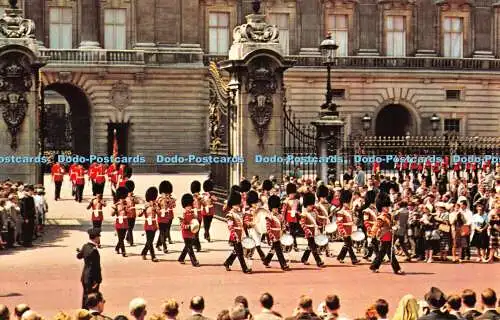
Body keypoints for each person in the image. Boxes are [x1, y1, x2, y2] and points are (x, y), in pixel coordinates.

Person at [223, 191, 252, 273]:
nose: (237, 206)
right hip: (235, 235)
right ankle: (245, 269)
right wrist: (234, 235)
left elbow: (243, 224)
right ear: (232, 205)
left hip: (241, 234)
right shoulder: (230, 214)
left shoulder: (239, 214)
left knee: (236, 251)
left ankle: (227, 263)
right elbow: (230, 226)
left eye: (238, 204)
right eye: (236, 204)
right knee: (240, 253)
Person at [77, 228, 102, 309]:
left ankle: (83, 314)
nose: (99, 239)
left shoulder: (85, 246)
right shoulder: (93, 250)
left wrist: (81, 252)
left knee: (85, 296)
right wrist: (97, 281)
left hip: (85, 277)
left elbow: (79, 256)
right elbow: (96, 267)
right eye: (98, 237)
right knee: (92, 299)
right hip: (92, 278)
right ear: (95, 238)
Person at [263, 195, 290, 271]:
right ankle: (283, 264)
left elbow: (283, 225)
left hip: (279, 234)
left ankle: (266, 260)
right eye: (274, 208)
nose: (276, 210)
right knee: (278, 250)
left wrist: (284, 230)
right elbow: (268, 228)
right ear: (271, 208)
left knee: (274, 248)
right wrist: (271, 236)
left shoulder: (280, 216)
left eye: (277, 208)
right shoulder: (269, 216)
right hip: (273, 235)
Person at [300, 193, 325, 267]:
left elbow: (317, 220)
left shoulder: (314, 212)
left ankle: (304, 258)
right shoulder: (304, 214)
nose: (311, 207)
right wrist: (307, 231)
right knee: (313, 246)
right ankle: (318, 261)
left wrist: (321, 223)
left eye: (311, 205)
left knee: (310, 246)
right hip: (308, 232)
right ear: (306, 205)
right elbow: (303, 224)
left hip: (314, 231)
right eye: (309, 205)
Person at [178, 193, 200, 267]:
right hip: (185, 233)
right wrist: (189, 227)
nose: (189, 207)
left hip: (191, 233)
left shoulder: (193, 213)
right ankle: (194, 262)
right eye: (187, 206)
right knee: (190, 248)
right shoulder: (183, 215)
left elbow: (195, 221)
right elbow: (182, 225)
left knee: (187, 247)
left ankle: (181, 258)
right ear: (185, 207)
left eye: (190, 206)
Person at [139, 187, 158, 262]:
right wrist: (144, 209)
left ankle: (143, 252)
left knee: (150, 241)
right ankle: (153, 256)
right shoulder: (145, 205)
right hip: (148, 224)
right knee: (150, 241)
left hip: (153, 223)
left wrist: (156, 208)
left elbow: (160, 214)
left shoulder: (155, 205)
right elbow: (139, 215)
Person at [157, 181, 175, 252]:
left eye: (167, 193)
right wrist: (160, 211)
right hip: (160, 217)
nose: (166, 194)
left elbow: (173, 206)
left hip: (167, 217)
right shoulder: (159, 199)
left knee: (164, 232)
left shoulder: (169, 199)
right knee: (162, 232)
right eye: (164, 193)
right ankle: (164, 246)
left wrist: (170, 201)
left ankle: (158, 244)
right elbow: (156, 208)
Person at [281, 183, 300, 252]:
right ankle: (293, 245)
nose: (293, 195)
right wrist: (283, 220)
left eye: (293, 193)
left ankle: (292, 246)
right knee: (291, 233)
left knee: (293, 233)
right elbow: (283, 211)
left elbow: (299, 210)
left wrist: (298, 213)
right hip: (288, 218)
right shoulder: (286, 201)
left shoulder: (297, 201)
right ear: (288, 194)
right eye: (291, 194)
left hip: (295, 218)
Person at [111, 187, 129, 257]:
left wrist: (126, 209)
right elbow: (112, 214)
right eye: (122, 198)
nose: (123, 199)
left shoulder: (126, 204)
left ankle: (117, 248)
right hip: (119, 221)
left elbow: (129, 213)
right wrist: (116, 210)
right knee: (120, 238)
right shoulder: (116, 205)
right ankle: (123, 251)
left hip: (125, 221)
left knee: (122, 237)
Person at [125, 180, 141, 247]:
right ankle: (131, 241)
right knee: (129, 228)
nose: (131, 193)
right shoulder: (125, 198)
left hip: (133, 215)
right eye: (130, 192)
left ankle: (127, 238)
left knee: (131, 228)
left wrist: (133, 199)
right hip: (128, 215)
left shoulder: (133, 198)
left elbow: (138, 202)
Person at [191, 180, 203, 252]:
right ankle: (195, 244)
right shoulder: (192, 197)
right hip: (193, 215)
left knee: (197, 231)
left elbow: (204, 204)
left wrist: (200, 199)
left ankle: (197, 245)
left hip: (198, 215)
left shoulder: (200, 197)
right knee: (193, 231)